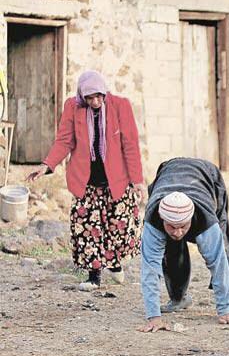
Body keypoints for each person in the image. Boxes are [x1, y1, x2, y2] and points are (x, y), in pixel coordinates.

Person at [27, 70, 144, 291]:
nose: (96, 101)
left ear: (104, 92)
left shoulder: (121, 105)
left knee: (116, 227)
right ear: (82, 96)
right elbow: (64, 141)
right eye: (90, 97)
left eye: (99, 96)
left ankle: (115, 263)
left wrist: (137, 179)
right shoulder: (73, 107)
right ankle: (94, 276)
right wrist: (47, 165)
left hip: (116, 180)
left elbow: (130, 144)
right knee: (88, 227)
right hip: (86, 180)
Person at [137, 157, 229, 333]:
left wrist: (225, 309)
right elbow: (150, 270)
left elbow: (218, 262)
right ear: (162, 219)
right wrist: (153, 317)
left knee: (222, 247)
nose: (178, 232)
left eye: (182, 227)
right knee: (172, 245)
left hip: (206, 175)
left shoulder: (206, 222)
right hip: (168, 171)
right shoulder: (153, 221)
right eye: (171, 226)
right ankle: (178, 298)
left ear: (191, 220)